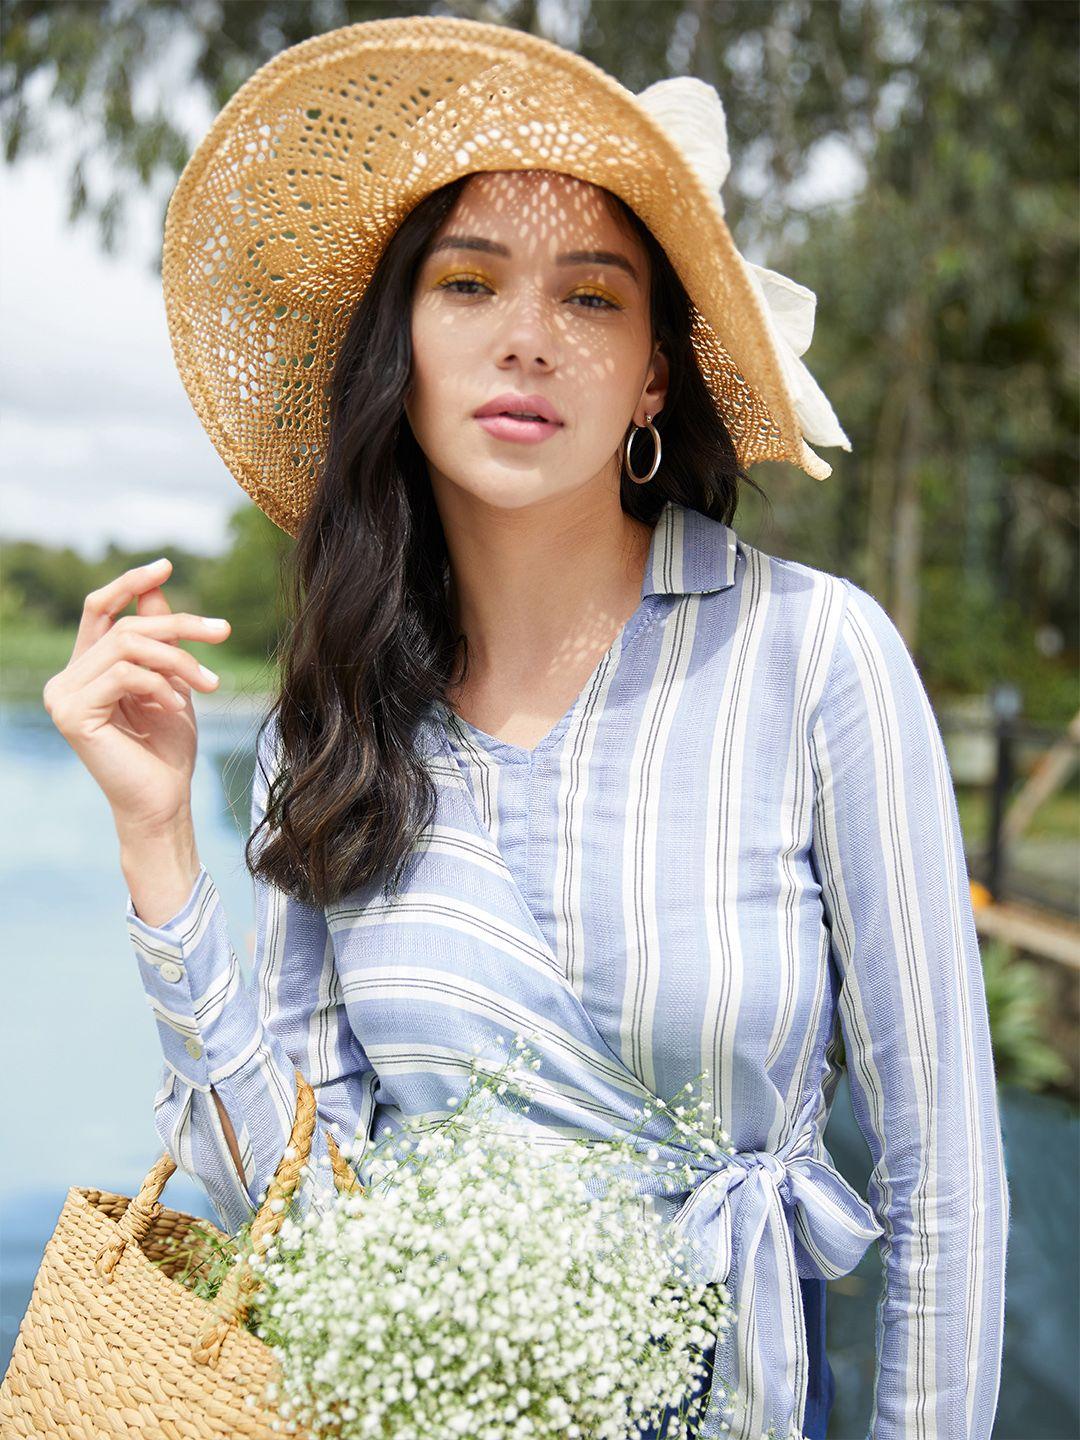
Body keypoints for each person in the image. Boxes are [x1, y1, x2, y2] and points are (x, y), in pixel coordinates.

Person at [43, 16, 1009, 1440]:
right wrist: (156, 847)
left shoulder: (814, 659)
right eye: (469, 281)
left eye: (595, 298)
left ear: (657, 373)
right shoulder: (344, 716)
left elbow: (946, 1191)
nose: (526, 339)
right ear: (403, 346)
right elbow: (301, 1222)